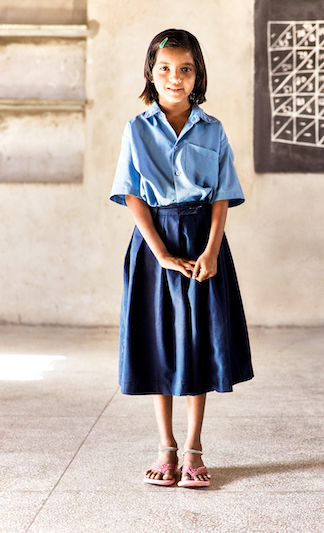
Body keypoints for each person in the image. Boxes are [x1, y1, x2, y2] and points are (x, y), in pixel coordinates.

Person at [109, 29, 253, 488]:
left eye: (185, 69)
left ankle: (193, 447)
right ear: (152, 73)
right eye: (165, 68)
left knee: (196, 341)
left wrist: (210, 251)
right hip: (154, 245)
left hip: (202, 245)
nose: (175, 77)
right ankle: (164, 446)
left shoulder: (213, 131)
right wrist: (161, 254)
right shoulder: (137, 129)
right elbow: (132, 196)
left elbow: (221, 197)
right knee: (159, 341)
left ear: (198, 74)